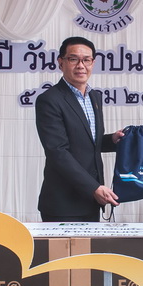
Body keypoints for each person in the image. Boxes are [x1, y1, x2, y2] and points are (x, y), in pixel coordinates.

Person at [35, 36, 119, 222]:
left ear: (93, 63)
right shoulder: (50, 100)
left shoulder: (94, 97)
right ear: (61, 62)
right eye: (73, 59)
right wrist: (93, 188)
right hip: (63, 202)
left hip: (91, 199)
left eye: (86, 60)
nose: (81, 65)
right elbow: (57, 151)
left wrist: (112, 139)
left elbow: (88, 141)